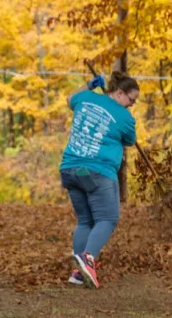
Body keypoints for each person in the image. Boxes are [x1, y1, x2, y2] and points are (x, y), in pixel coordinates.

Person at [59, 70, 139, 289]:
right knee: (108, 219)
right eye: (131, 100)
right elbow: (130, 140)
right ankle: (87, 258)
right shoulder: (124, 117)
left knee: (85, 221)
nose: (131, 105)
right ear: (120, 93)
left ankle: (78, 273)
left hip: (70, 168)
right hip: (97, 172)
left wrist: (88, 85)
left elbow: (69, 99)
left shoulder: (85, 97)